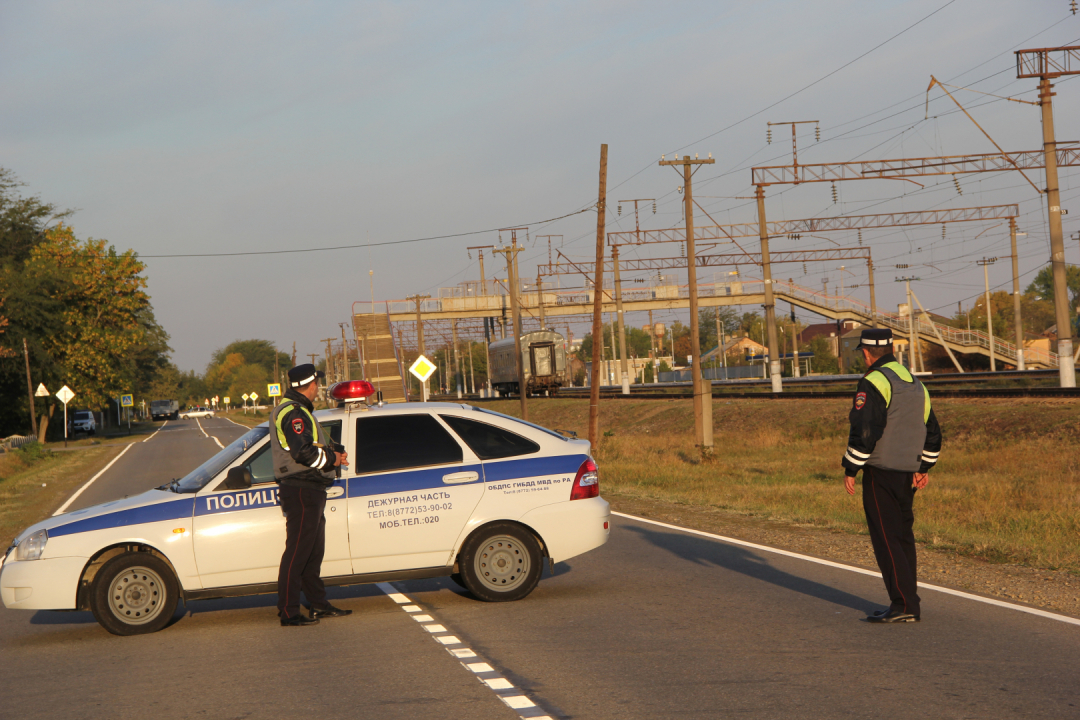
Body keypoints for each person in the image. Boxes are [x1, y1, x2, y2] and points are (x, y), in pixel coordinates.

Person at [841, 328, 942, 624]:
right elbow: (932, 431)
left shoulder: (872, 381)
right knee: (902, 537)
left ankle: (903, 604)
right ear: (890, 349)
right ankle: (909, 601)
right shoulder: (916, 384)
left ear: (866, 352)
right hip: (907, 472)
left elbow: (866, 429)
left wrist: (851, 467)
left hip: (881, 471)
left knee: (886, 539)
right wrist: (923, 467)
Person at [271, 363, 351, 627]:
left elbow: (308, 448)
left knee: (312, 552)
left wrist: (332, 456)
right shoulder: (293, 413)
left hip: (311, 489)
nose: (318, 387)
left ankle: (318, 605)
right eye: (317, 383)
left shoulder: (299, 410)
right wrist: (332, 458)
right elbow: (303, 452)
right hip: (301, 489)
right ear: (312, 384)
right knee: (297, 553)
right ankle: (289, 611)